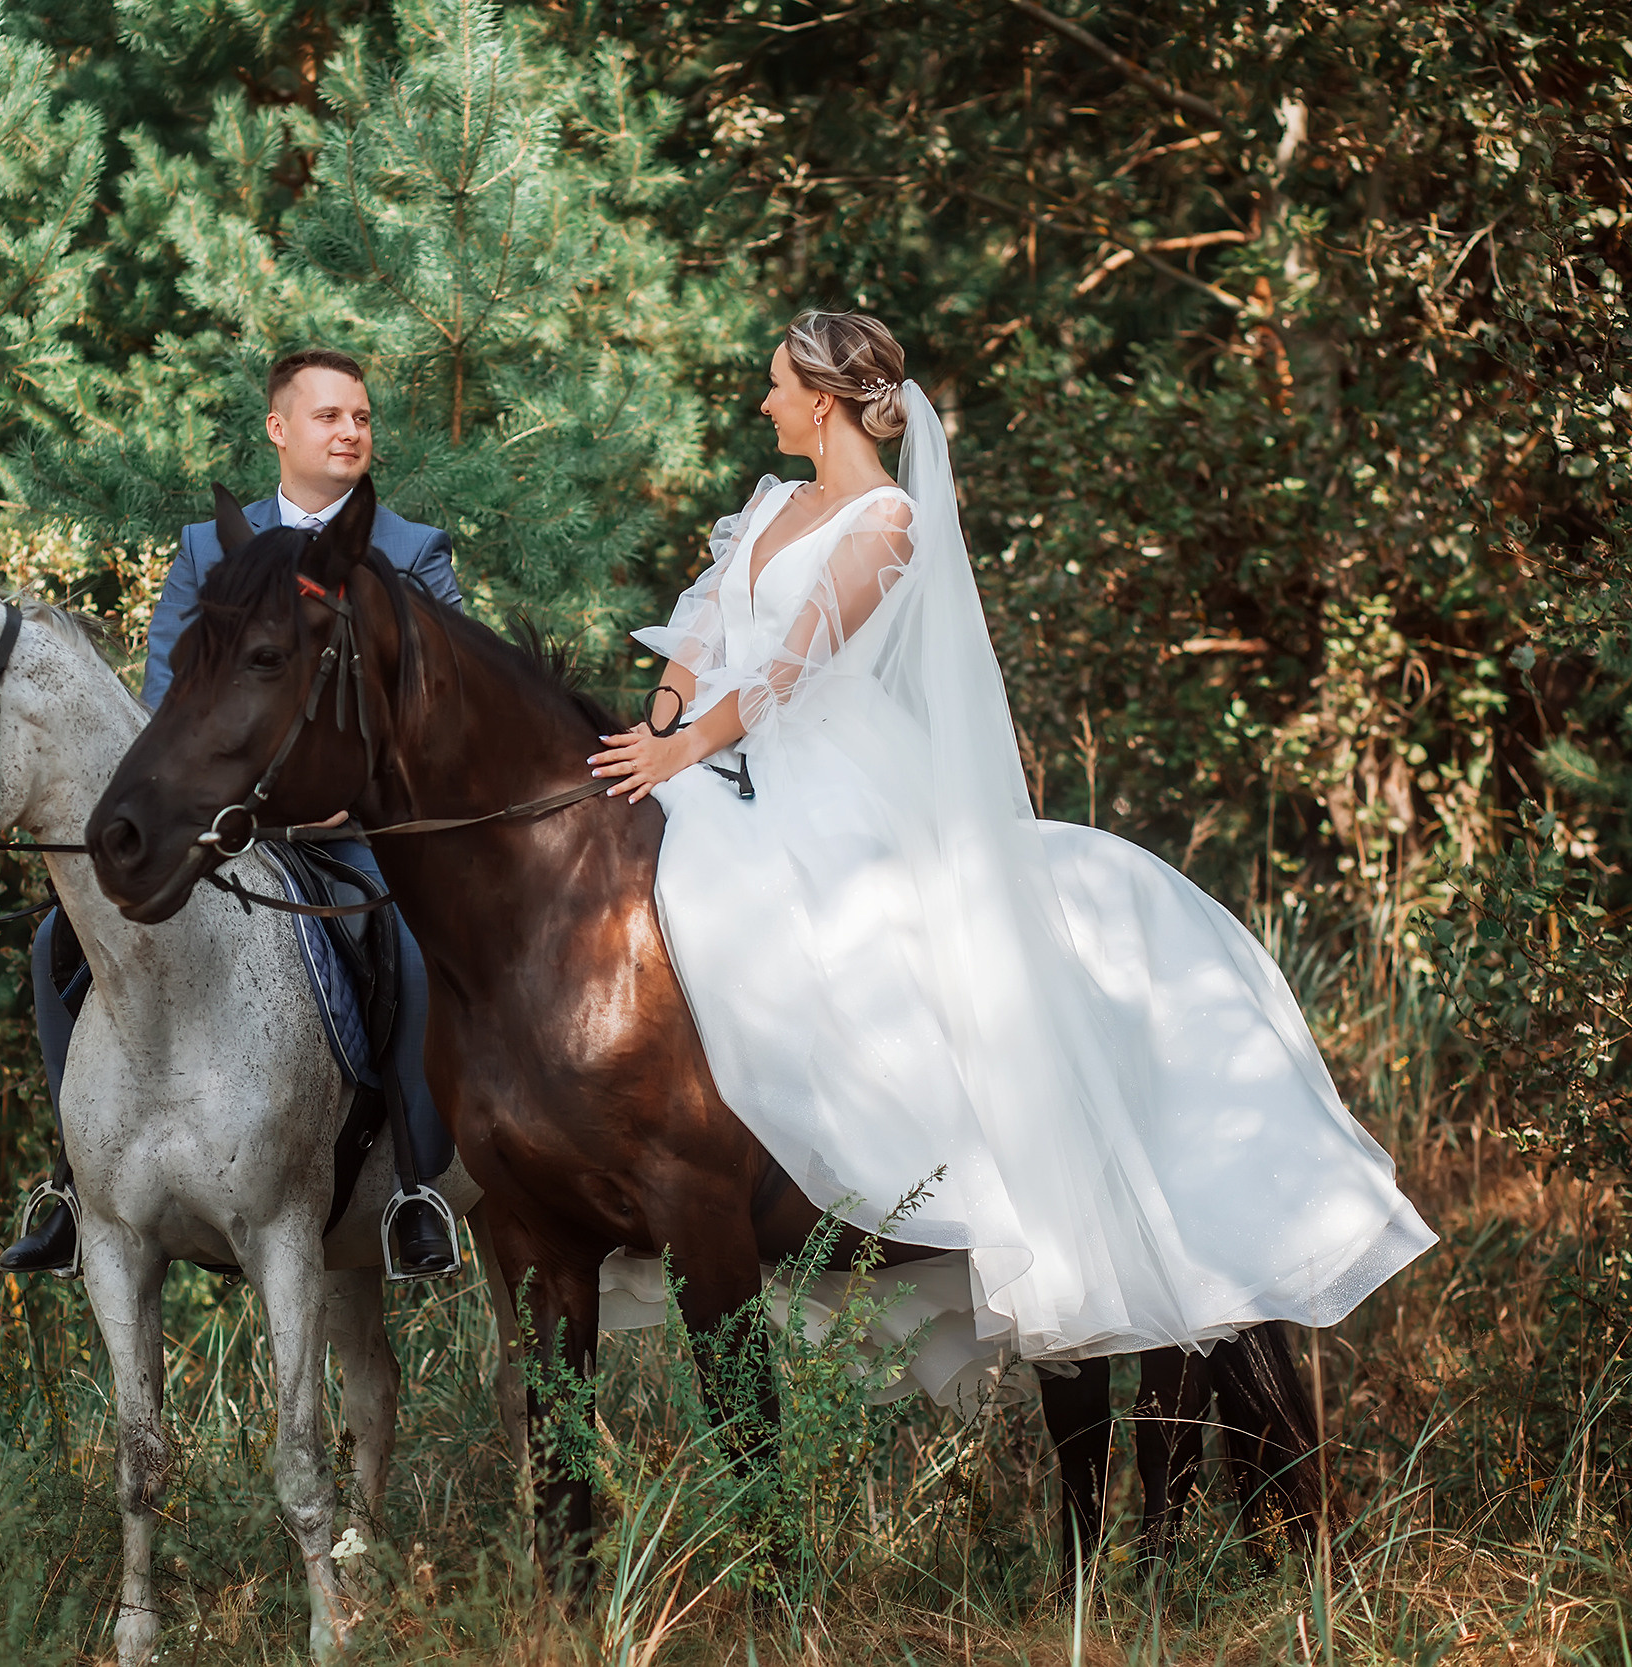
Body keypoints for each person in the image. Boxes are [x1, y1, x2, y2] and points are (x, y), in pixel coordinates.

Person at [589, 311, 1433, 1377]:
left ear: (821, 399)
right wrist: (656, 736)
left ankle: (908, 1166)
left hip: (822, 766)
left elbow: (787, 671)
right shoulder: (769, 503)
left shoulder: (885, 522)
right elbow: (701, 636)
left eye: (772, 387)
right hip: (712, 751)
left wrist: (687, 748)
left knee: (830, 932)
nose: (760, 405)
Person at [2, 347, 466, 1279]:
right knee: (60, 938)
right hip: (225, 834)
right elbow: (170, 693)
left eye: (362, 418)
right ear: (278, 428)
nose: (350, 432)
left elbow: (439, 710)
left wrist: (353, 795)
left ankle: (413, 1187)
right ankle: (71, 1183)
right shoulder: (208, 547)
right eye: (330, 415)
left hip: (351, 834)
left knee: (411, 954)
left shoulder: (411, 551)